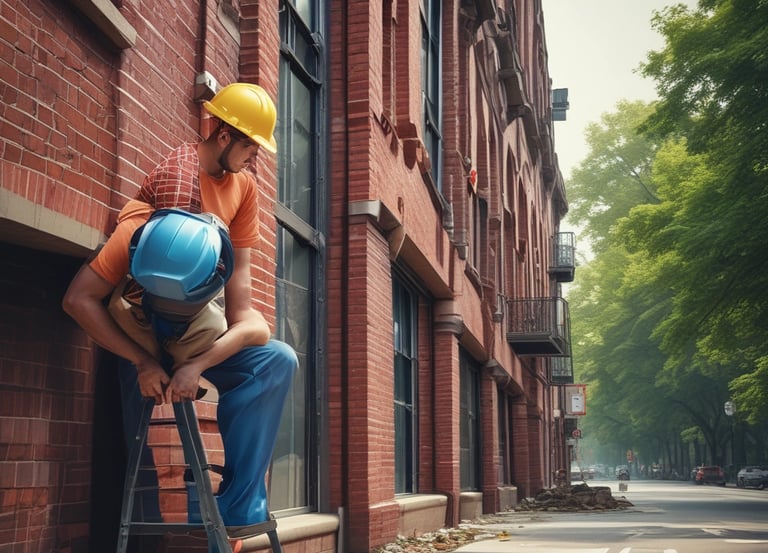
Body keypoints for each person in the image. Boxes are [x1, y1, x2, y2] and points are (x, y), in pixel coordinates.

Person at [62, 83, 298, 536]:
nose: (254, 160)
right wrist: (141, 361)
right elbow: (78, 299)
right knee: (132, 454)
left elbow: (244, 313)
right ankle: (149, 538)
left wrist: (198, 366)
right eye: (250, 148)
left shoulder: (242, 190)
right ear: (224, 135)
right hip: (139, 337)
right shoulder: (140, 230)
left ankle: (236, 505)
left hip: (195, 337)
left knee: (275, 360)